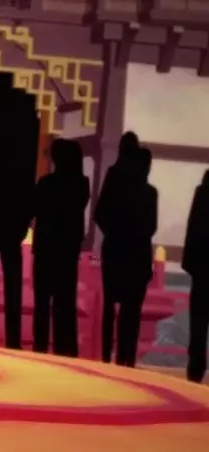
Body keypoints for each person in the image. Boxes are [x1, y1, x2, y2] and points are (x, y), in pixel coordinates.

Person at [98, 147, 158, 367]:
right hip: (138, 257)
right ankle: (127, 357)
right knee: (132, 311)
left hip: (115, 254)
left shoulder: (119, 193)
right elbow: (151, 227)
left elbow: (101, 215)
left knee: (110, 306)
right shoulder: (150, 193)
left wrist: (114, 235)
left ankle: (106, 355)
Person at [30, 139, 89, 356]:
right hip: (67, 251)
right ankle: (66, 349)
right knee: (65, 302)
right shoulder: (81, 184)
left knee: (42, 303)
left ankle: (40, 347)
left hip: (46, 248)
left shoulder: (46, 184)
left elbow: (34, 209)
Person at [183, 170, 209, 383]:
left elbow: (193, 228)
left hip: (202, 268)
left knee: (198, 323)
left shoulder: (202, 192)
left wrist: (190, 264)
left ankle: (195, 368)